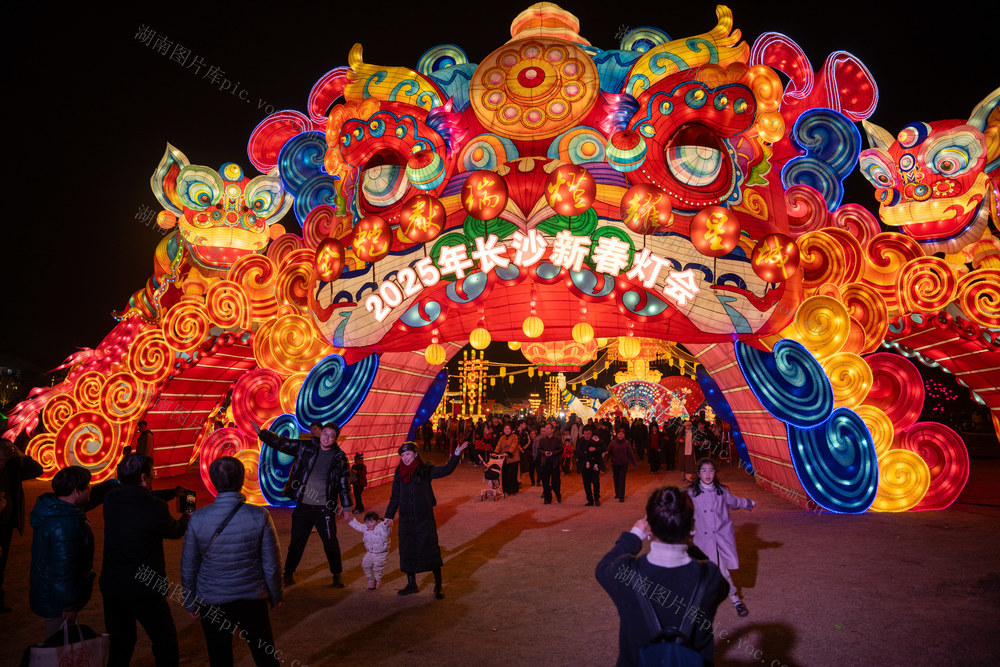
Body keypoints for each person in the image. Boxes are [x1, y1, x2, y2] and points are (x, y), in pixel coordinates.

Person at [595, 486, 729, 666]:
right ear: (691, 527)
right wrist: (688, 540)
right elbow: (722, 588)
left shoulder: (623, 570)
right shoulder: (710, 576)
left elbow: (602, 568)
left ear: (649, 527)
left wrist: (634, 536)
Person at [181, 457, 283, 667]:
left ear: (213, 481)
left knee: (219, 657)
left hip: (212, 598)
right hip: (252, 597)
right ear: (242, 479)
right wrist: (275, 595)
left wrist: (190, 600)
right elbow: (272, 564)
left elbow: (190, 565)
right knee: (264, 655)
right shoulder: (260, 515)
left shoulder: (198, 518)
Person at [100, 454, 190, 667]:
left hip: (113, 583)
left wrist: (170, 493)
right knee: (164, 639)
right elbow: (175, 531)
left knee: (121, 642)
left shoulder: (111, 498)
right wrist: (188, 515)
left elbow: (139, 498)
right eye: (151, 474)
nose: (153, 477)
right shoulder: (154, 506)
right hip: (145, 585)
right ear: (143, 476)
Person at [257, 422, 352, 587]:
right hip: (304, 506)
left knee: (330, 543)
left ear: (336, 439)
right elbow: (283, 443)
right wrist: (262, 434)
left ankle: (337, 575)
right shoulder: (306, 447)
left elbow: (344, 483)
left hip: (325, 508)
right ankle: (288, 573)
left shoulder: (340, 458)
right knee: (296, 542)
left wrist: (347, 507)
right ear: (320, 433)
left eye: (331, 436)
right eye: (325, 434)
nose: (327, 438)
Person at [384, 440, 467, 598]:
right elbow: (395, 496)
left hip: (424, 517)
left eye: (408, 454)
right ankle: (411, 584)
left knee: (430, 549)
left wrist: (457, 453)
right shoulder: (398, 472)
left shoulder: (425, 469)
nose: (405, 458)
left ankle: (438, 585)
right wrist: (389, 516)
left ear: (415, 454)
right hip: (406, 517)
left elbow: (447, 470)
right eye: (402, 455)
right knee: (407, 549)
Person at [29, 466, 95, 638]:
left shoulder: (54, 509)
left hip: (50, 592)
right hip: (57, 599)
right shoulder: (65, 523)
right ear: (76, 491)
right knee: (59, 648)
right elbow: (63, 567)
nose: (90, 489)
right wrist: (69, 604)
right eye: (87, 486)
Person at [689, 458, 755, 617]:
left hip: (719, 540)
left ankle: (735, 599)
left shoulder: (721, 491)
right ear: (698, 474)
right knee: (700, 573)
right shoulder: (691, 493)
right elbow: (675, 507)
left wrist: (747, 503)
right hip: (701, 541)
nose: (708, 474)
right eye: (704, 470)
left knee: (722, 571)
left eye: (711, 470)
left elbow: (734, 501)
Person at [0, 438, 43, 613]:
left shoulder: (14, 467)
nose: (8, 451)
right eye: (4, 448)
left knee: (2, 562)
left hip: (6, 522)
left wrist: (22, 455)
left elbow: (37, 470)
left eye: (11, 448)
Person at [347, 510, 392, 590]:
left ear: (377, 521)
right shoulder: (365, 528)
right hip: (370, 553)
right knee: (365, 565)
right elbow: (358, 526)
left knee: (378, 568)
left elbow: (387, 532)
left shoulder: (381, 528)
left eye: (371, 522)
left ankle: (378, 581)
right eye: (367, 522)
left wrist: (387, 525)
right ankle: (370, 579)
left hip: (381, 554)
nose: (369, 524)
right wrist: (350, 520)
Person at [576, 425, 605, 506]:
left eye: (588, 434)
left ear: (591, 434)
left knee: (596, 482)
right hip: (584, 466)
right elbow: (578, 452)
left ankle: (596, 498)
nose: (587, 436)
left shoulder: (597, 440)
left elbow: (602, 449)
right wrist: (587, 454)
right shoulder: (581, 441)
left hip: (595, 465)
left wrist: (595, 450)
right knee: (586, 484)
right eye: (585, 434)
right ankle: (590, 500)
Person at [608, 428, 638, 503]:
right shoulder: (613, 443)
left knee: (622, 480)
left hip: (623, 464)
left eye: (622, 434)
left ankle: (621, 496)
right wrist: (603, 461)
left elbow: (630, 453)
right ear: (617, 434)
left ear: (624, 435)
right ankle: (617, 493)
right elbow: (608, 452)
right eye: (619, 434)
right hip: (615, 463)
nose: (620, 435)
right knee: (616, 479)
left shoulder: (627, 443)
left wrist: (634, 462)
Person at [536, 424, 563, 504]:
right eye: (545, 428)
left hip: (554, 463)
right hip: (545, 462)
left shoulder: (558, 439)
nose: (546, 430)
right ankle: (547, 498)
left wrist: (553, 453)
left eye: (548, 428)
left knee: (555, 482)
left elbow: (561, 449)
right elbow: (539, 449)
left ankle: (558, 494)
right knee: (545, 482)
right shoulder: (542, 440)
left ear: (552, 429)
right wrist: (544, 452)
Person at [494, 423, 520, 495]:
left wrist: (508, 453)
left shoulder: (515, 437)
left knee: (511, 475)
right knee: (504, 474)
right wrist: (495, 452)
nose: (507, 430)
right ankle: (505, 489)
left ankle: (513, 490)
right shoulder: (502, 437)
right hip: (504, 459)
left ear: (511, 430)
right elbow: (498, 446)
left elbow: (514, 446)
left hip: (513, 458)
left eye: (508, 429)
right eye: (505, 429)